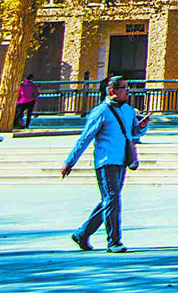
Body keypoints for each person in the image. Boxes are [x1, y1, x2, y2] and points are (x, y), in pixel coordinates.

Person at [61, 75, 147, 253]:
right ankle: (114, 241)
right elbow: (85, 138)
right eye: (124, 88)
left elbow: (134, 134)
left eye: (128, 88)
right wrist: (70, 161)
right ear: (112, 91)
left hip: (122, 160)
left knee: (109, 201)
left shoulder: (129, 111)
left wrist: (142, 126)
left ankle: (82, 234)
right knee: (112, 199)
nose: (128, 92)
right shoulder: (100, 112)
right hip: (106, 161)